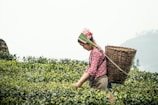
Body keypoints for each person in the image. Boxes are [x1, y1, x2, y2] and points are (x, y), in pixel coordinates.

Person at [73, 28, 115, 103]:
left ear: (88, 43)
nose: (84, 48)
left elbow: (92, 70)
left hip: (100, 81)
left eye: (83, 46)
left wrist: (79, 83)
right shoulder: (96, 49)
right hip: (99, 80)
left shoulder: (95, 52)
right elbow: (89, 68)